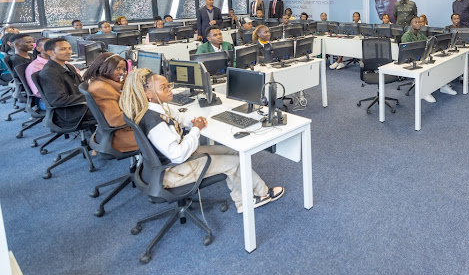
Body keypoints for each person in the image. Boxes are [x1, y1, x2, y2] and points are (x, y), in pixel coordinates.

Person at [120, 69, 284, 213]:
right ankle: (256, 196)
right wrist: (196, 130)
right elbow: (178, 155)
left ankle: (246, 194)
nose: (170, 90)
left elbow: (179, 117)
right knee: (235, 162)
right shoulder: (155, 123)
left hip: (169, 162)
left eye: (168, 85)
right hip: (174, 170)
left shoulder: (154, 108)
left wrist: (193, 120)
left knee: (235, 151)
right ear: (147, 94)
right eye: (164, 88)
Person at [83, 52, 137, 153]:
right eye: (118, 68)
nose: (121, 72)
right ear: (104, 67)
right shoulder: (102, 89)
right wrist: (140, 108)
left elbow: (117, 93)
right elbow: (115, 120)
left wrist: (126, 83)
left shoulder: (98, 80)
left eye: (123, 69)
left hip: (107, 132)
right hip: (120, 136)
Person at [36, 38, 95, 130]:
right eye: (63, 49)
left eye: (69, 48)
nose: (68, 52)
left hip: (80, 105)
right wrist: (90, 97)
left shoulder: (68, 66)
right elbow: (58, 100)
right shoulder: (49, 73)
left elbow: (81, 86)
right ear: (50, 52)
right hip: (70, 113)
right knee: (114, 109)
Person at [401, 16, 456, 102]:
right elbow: (406, 52)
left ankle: (443, 86)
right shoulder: (406, 36)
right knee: (429, 67)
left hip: (421, 57)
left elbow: (427, 43)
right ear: (410, 24)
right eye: (416, 22)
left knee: (440, 63)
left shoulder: (420, 34)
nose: (418, 24)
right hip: (411, 61)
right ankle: (424, 92)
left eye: (419, 22)